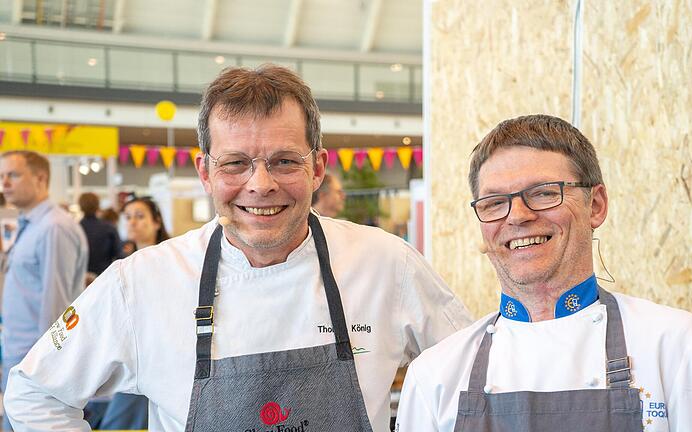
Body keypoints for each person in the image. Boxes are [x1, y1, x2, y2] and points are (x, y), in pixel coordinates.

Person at [4, 65, 472, 431]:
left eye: (285, 161)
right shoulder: (142, 281)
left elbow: (471, 382)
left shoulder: (386, 264)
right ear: (205, 172)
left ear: (318, 168)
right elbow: (34, 392)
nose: (261, 184)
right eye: (236, 164)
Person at [395, 115, 692, 431]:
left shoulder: (684, 348)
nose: (518, 216)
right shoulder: (434, 376)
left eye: (542, 193)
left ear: (595, 206)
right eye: (494, 203)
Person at [0, 151, 89, 430]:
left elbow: (56, 306)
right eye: (1, 176)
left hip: (35, 365)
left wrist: (44, 370)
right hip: (18, 356)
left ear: (40, 178)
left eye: (13, 175)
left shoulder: (54, 228)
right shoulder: (30, 225)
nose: (4, 183)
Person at [84, 196, 170, 430]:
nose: (133, 222)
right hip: (130, 354)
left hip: (154, 357)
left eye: (140, 216)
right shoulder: (128, 260)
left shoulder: (168, 261)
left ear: (157, 222)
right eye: (128, 217)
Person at [78, 193, 121, 277]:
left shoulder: (75, 229)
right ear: (98, 205)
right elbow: (119, 254)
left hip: (82, 278)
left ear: (80, 206)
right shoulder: (109, 228)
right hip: (104, 276)